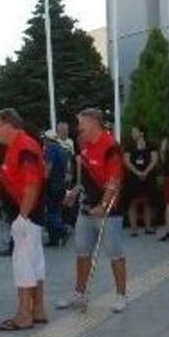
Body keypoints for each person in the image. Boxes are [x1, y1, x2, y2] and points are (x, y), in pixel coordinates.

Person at [0, 108, 48, 331]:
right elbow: (16, 178)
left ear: (9, 125)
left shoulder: (24, 146)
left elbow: (32, 184)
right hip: (29, 216)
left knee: (23, 265)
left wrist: (22, 217)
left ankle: (24, 315)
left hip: (26, 217)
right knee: (35, 264)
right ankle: (38, 309)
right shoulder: (17, 147)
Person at [58, 108, 127, 313]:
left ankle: (121, 295)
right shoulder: (85, 146)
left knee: (115, 253)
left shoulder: (110, 146)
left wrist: (104, 206)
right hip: (86, 208)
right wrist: (75, 191)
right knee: (82, 252)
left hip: (108, 211)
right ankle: (79, 293)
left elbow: (113, 181)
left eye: (82, 124)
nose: (78, 129)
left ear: (94, 123)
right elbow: (85, 178)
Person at [123, 124, 158, 237]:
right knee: (133, 202)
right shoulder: (129, 145)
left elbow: (154, 160)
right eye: (132, 131)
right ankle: (134, 229)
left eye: (135, 131)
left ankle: (148, 227)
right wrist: (138, 172)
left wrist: (146, 172)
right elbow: (126, 161)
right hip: (133, 177)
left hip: (148, 177)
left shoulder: (151, 145)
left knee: (148, 201)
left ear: (142, 133)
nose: (132, 133)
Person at [41, 130, 70, 247]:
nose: (43, 141)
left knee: (51, 212)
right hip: (61, 184)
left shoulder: (50, 149)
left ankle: (62, 230)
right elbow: (68, 168)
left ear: (48, 139)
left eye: (44, 139)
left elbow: (48, 168)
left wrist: (42, 180)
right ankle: (54, 239)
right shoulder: (63, 150)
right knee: (57, 211)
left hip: (52, 185)